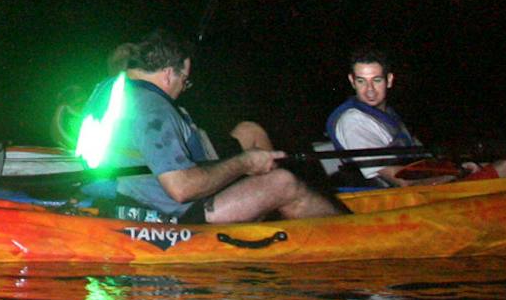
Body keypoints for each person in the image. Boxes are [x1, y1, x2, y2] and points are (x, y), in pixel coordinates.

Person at [95, 29, 338, 223]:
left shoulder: (107, 90)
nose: (183, 89)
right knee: (283, 182)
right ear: (168, 74)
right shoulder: (154, 108)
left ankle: (267, 211)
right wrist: (245, 162)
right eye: (184, 80)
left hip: (129, 199)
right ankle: (344, 232)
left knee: (248, 138)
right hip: (175, 215)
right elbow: (182, 189)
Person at [326, 47, 506, 186]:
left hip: (428, 188)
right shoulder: (353, 121)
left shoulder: (387, 115)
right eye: (362, 81)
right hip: (406, 201)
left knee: (499, 164)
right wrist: (458, 175)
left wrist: (459, 168)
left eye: (376, 80)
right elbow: (401, 181)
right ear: (352, 81)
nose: (369, 91)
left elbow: (423, 161)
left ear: (389, 80)